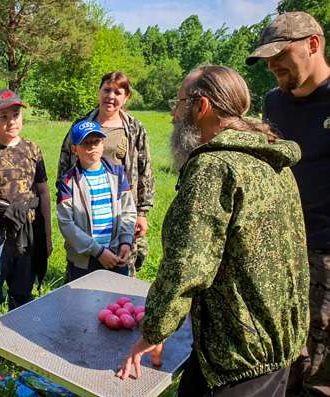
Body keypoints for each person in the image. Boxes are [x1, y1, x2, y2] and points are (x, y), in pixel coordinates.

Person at [117, 65, 310, 397]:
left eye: (178, 103)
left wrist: (152, 334)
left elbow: (186, 266)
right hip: (277, 344)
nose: (174, 115)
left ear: (201, 106)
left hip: (236, 358)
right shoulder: (272, 160)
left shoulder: (213, 168)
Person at [246, 11, 330, 396]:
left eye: (281, 53)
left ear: (313, 44)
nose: (272, 65)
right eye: (267, 58)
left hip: (324, 253)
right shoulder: (273, 104)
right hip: (278, 249)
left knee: (318, 359)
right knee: (281, 346)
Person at [57, 71, 154, 277]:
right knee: (83, 270)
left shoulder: (135, 128)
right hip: (84, 205)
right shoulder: (81, 124)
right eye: (106, 90)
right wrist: (65, 194)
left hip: (122, 205)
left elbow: (145, 168)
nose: (111, 96)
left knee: (123, 262)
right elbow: (64, 163)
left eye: (118, 92)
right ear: (99, 92)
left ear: (126, 97)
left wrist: (142, 212)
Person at [0, 88, 52, 322]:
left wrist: (46, 236)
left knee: (23, 293)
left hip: (26, 232)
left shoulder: (32, 149)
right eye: (3, 116)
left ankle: (17, 347)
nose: (11, 121)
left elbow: (43, 192)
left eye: (15, 115)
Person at [56, 120, 136, 281]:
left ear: (103, 144)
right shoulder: (67, 182)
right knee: (84, 302)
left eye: (96, 141)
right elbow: (66, 223)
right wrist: (98, 251)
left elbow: (128, 211)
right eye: (86, 143)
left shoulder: (118, 174)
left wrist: (126, 242)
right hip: (85, 260)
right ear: (74, 149)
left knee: (116, 301)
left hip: (116, 254)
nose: (92, 147)